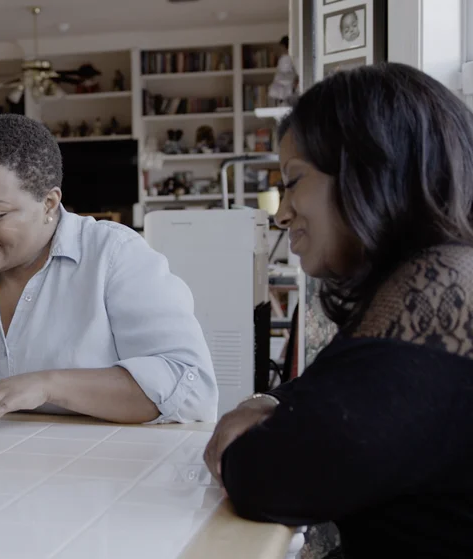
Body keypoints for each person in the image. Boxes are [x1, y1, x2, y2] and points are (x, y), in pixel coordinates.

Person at [203, 62, 473, 558]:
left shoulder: (435, 290)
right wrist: (273, 403)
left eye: (294, 180)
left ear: (372, 170)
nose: (282, 213)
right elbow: (341, 397)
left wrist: (255, 416)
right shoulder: (448, 276)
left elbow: (265, 477)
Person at [0, 114, 217, 439]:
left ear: (50, 204)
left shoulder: (115, 257)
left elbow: (193, 390)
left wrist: (48, 385)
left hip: (94, 479)